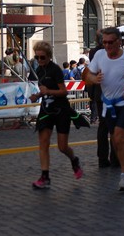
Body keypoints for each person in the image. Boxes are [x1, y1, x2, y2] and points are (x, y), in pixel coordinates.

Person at [85, 27, 124, 191]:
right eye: (104, 42)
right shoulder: (99, 55)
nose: (107, 46)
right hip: (108, 104)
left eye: (110, 42)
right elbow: (88, 75)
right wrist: (94, 78)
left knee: (119, 137)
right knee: (117, 140)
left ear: (119, 42)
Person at [29, 41, 83, 189]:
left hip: (61, 110)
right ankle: (45, 176)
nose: (40, 60)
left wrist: (48, 92)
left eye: (43, 57)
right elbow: (44, 89)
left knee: (62, 146)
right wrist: (38, 95)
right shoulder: (39, 70)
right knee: (43, 142)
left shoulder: (56, 70)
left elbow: (64, 91)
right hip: (46, 110)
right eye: (37, 57)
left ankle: (74, 160)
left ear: (49, 57)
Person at [83, 29, 118, 167]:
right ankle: (114, 157)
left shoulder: (94, 52)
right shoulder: (102, 53)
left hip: (99, 92)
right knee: (113, 127)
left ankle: (102, 158)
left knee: (103, 126)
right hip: (108, 92)